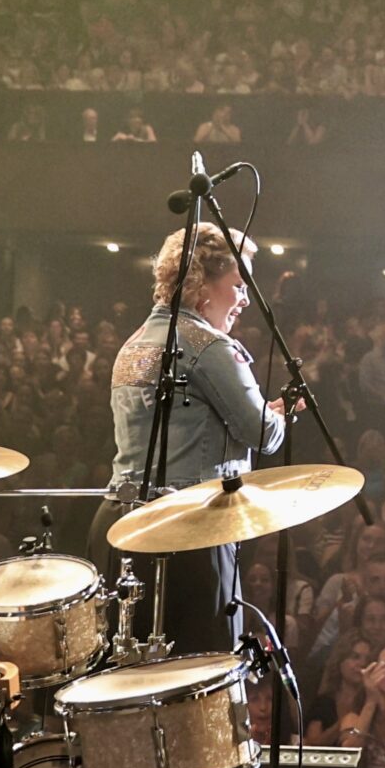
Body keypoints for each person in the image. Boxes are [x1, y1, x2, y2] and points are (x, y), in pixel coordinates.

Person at [95, 222, 290, 659]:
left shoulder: (133, 344)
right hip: (190, 533)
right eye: (238, 285)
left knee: (128, 672)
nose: (245, 299)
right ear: (202, 284)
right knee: (204, 673)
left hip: (121, 528)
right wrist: (278, 417)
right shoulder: (210, 346)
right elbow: (263, 435)